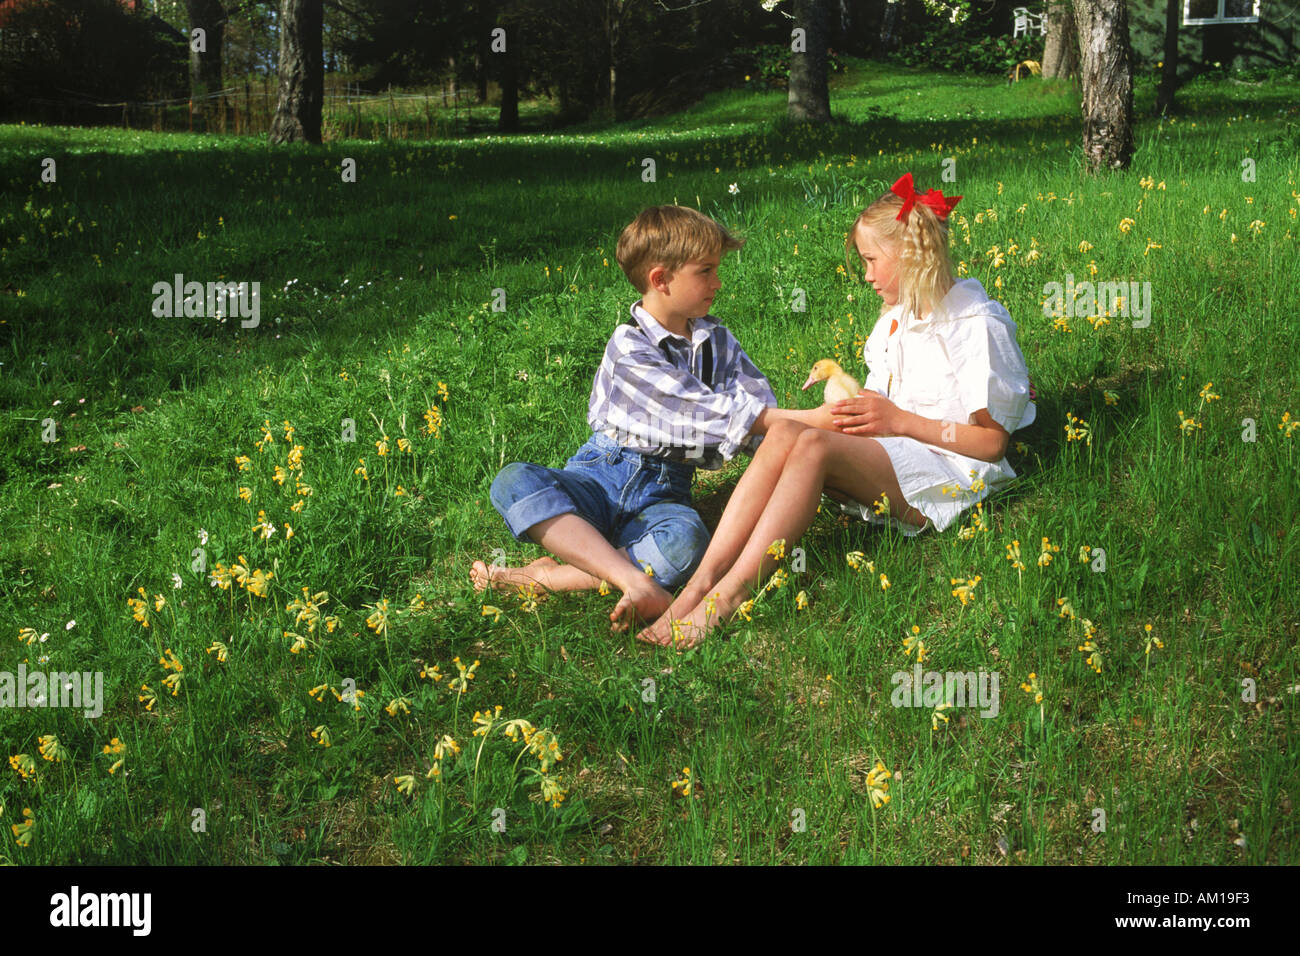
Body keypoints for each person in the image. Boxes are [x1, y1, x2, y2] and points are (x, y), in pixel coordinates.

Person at [636, 173, 1037, 647]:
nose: (865, 275)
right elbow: (881, 410)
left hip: (948, 471)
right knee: (786, 433)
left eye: (871, 260)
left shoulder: (974, 325)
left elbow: (992, 444)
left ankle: (728, 597)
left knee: (811, 446)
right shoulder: (899, 318)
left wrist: (896, 420)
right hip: (896, 451)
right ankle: (701, 584)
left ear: (911, 256)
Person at [471, 205, 831, 631]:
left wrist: (801, 442)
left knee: (688, 541)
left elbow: (755, 402)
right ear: (660, 279)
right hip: (599, 478)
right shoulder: (628, 346)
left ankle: (551, 575)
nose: (718, 283)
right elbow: (695, 411)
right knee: (513, 480)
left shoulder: (717, 341)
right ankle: (628, 577)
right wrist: (805, 416)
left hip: (665, 490)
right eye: (706, 271)